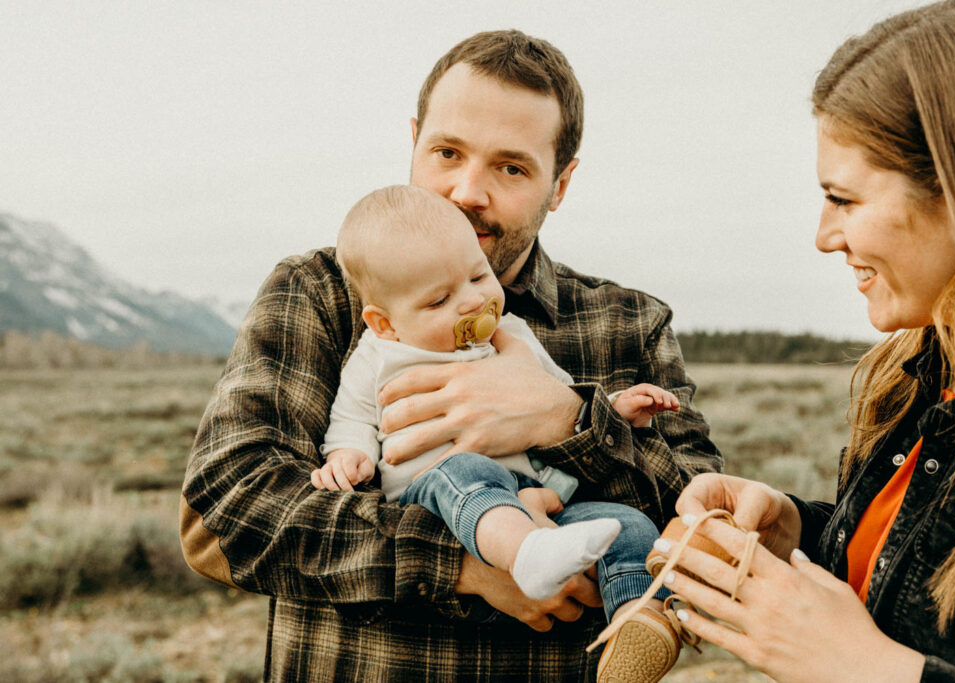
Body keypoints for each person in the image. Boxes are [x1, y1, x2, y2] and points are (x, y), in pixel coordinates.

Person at [180, 29, 721, 681]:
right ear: (414, 141)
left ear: (561, 182)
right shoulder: (320, 293)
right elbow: (227, 512)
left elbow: (704, 519)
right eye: (447, 152)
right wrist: (468, 563)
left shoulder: (627, 322)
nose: (467, 191)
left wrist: (572, 422)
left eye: (511, 167)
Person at [649, 1, 955, 680]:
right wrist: (799, 531)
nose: (824, 235)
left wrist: (865, 667)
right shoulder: (921, 375)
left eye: (844, 199)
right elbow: (916, 592)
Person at [312, 184, 684, 678]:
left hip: (535, 495)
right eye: (441, 299)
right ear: (384, 322)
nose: (472, 302)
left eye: (477, 276)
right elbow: (351, 416)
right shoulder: (379, 355)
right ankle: (527, 554)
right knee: (466, 468)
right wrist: (348, 453)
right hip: (438, 494)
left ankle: (635, 625)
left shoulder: (514, 336)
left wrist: (614, 410)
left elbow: (561, 395)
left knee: (626, 526)